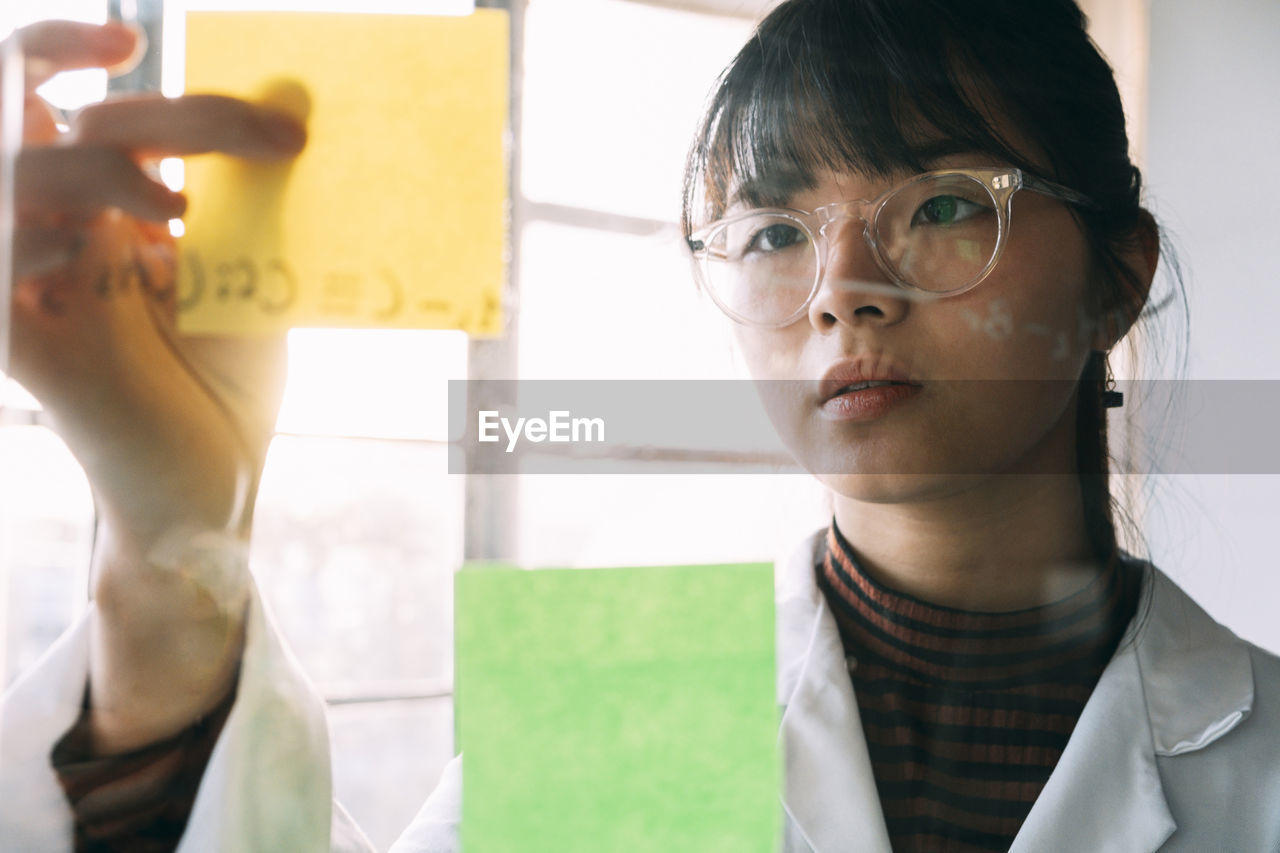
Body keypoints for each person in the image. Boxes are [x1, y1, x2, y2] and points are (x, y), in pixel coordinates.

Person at [3, 1, 1279, 851]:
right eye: (775, 232)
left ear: (1117, 271)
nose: (839, 285)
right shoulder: (623, 704)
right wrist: (172, 533)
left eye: (941, 203)